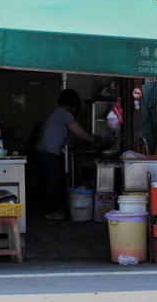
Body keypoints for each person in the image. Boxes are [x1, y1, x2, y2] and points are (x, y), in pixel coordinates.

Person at [35, 88, 95, 220]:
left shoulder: (55, 112)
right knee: (53, 182)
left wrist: (68, 142)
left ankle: (49, 209)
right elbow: (80, 133)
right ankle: (52, 212)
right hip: (49, 152)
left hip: (42, 150)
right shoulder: (65, 114)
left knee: (48, 181)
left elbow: (55, 134)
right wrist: (93, 139)